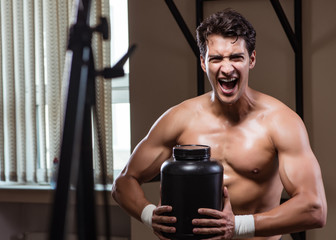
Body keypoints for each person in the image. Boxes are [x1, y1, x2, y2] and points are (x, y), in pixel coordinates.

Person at [111, 9, 327, 240]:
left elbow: (314, 209)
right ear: (204, 63)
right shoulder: (180, 118)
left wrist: (237, 226)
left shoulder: (281, 122)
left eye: (236, 57)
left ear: (251, 59)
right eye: (216, 59)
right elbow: (123, 182)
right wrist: (148, 214)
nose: (227, 68)